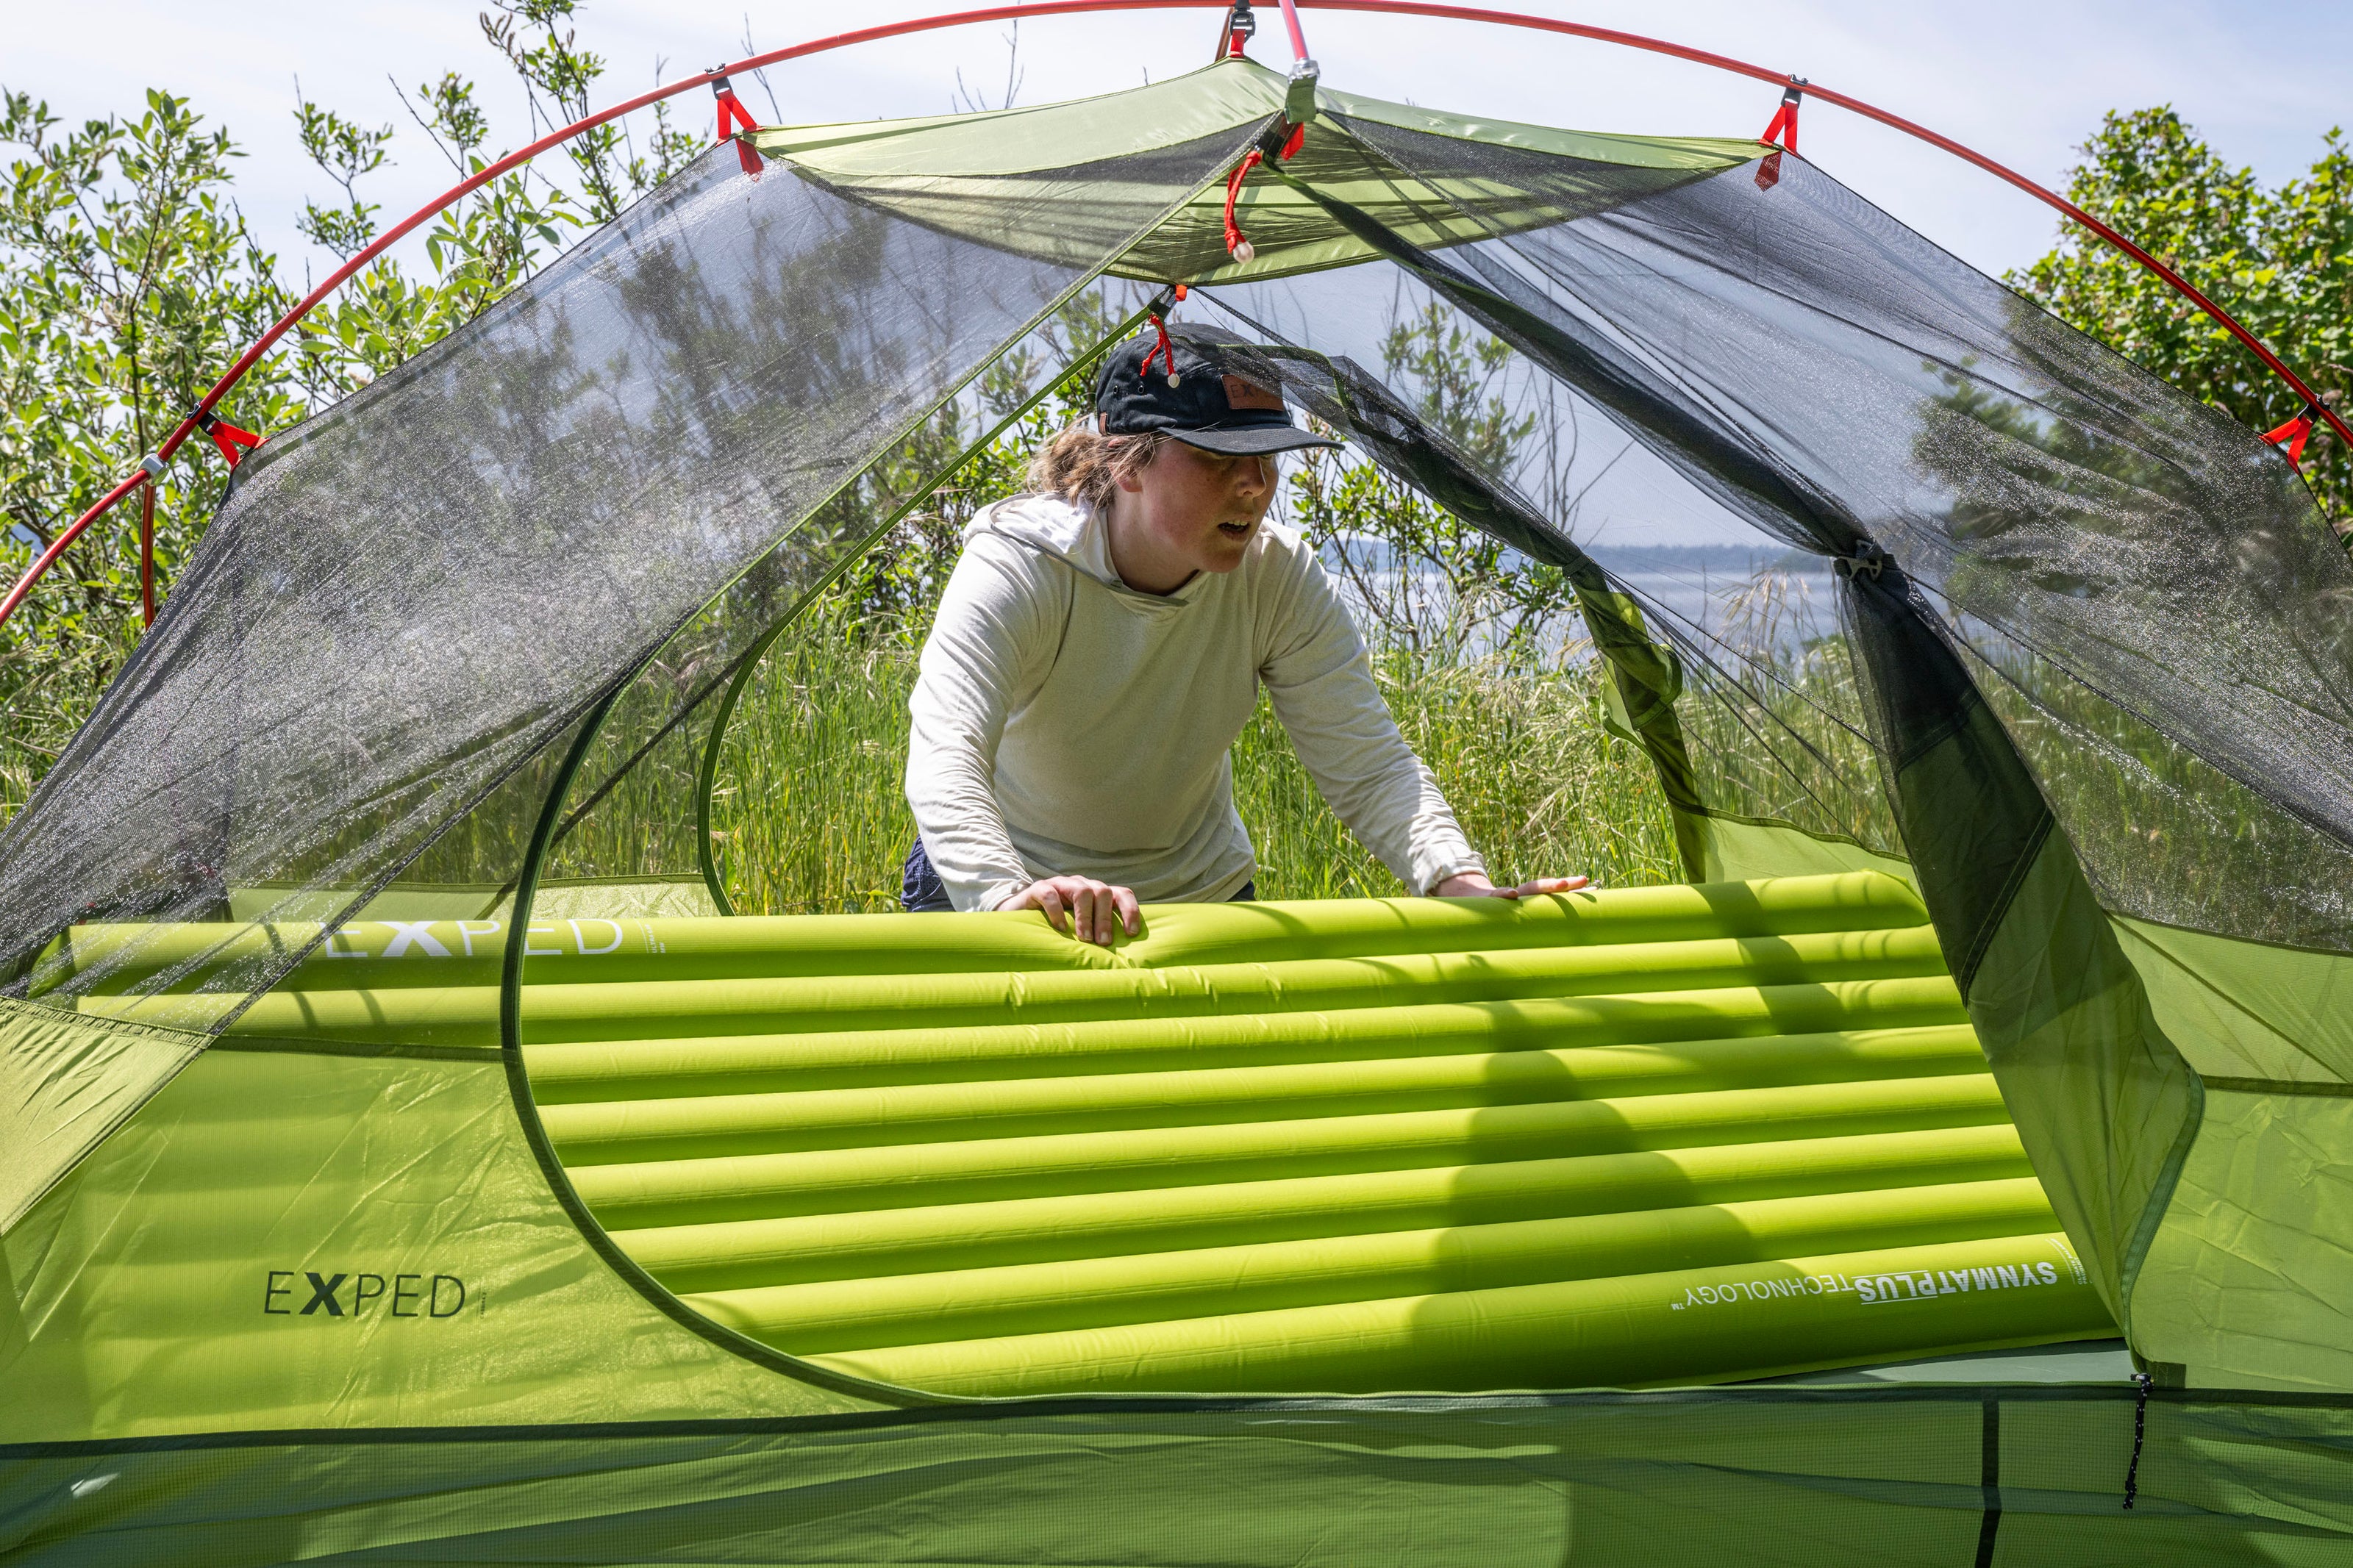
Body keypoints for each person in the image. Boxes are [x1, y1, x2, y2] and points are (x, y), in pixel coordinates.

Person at [901, 329, 1587, 944]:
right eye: (1218, 455)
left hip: (1197, 899)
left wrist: (1455, 878)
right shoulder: (1021, 562)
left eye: (1268, 455)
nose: (1256, 485)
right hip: (1003, 886)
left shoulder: (1276, 574)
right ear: (1127, 462)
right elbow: (946, 752)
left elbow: (1369, 764)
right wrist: (1006, 896)